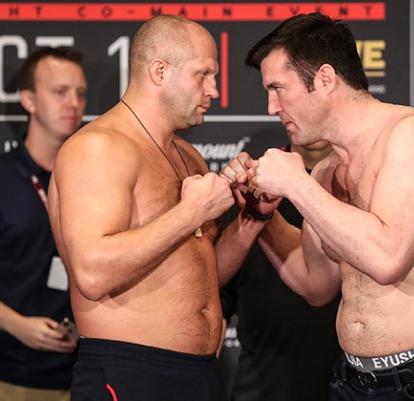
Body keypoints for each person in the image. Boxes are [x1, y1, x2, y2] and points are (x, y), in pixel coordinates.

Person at [221, 13, 414, 401]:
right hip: (354, 382)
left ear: (325, 79)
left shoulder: (412, 135)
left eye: (278, 89)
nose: (271, 106)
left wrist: (296, 184)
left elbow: (388, 258)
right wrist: (261, 214)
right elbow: (316, 285)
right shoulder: (325, 172)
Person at [47, 15, 274, 401]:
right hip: (129, 373)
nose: (214, 90)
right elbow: (92, 273)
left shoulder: (188, 156)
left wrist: (252, 218)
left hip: (201, 374)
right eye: (203, 74)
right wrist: (191, 212)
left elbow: (201, 274)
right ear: (159, 71)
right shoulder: (99, 148)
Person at [0, 46, 87, 401]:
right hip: (12, 379)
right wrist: (18, 325)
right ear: (28, 100)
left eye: (80, 93)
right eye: (60, 92)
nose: (73, 103)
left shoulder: (97, 177)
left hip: (90, 377)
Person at [220, 137, 342, 401]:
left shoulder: (365, 187)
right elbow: (213, 306)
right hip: (263, 389)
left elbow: (319, 289)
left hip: (359, 388)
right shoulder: (249, 189)